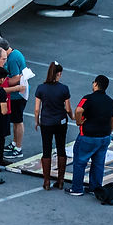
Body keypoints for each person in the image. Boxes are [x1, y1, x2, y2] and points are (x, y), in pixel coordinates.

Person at [67, 75, 113, 197]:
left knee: (80, 161)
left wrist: (79, 122)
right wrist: (108, 133)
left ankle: (77, 188)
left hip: (88, 136)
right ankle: (95, 187)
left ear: (95, 84)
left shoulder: (88, 98)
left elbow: (78, 110)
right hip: (104, 137)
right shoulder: (111, 102)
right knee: (99, 163)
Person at [34, 62, 73, 190]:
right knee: (61, 148)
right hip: (60, 121)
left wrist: (36, 121)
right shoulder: (64, 88)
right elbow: (67, 108)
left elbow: (36, 109)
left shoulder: (41, 88)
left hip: (46, 122)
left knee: (46, 149)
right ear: (59, 74)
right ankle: (60, 180)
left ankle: (46, 181)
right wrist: (72, 116)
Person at [0, 38, 27, 157]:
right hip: (18, 95)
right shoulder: (15, 53)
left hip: (17, 96)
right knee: (15, 121)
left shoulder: (12, 59)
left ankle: (18, 148)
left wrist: (0, 82)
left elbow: (16, 78)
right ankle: (14, 143)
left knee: (18, 121)